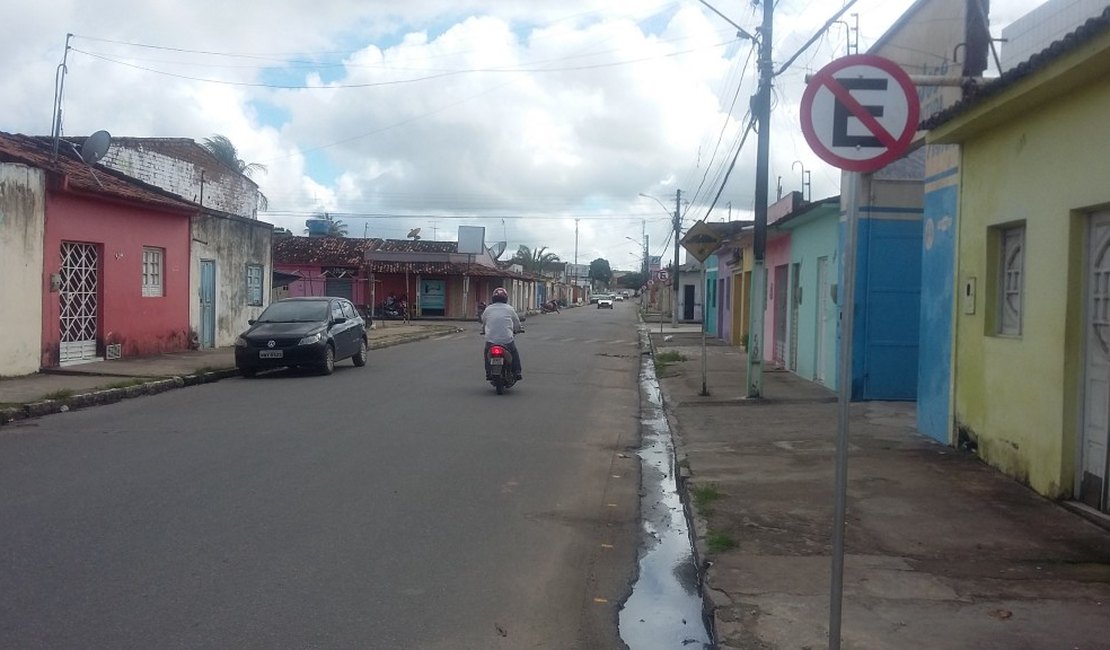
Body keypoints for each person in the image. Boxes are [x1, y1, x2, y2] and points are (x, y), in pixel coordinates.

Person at [480, 287, 523, 380]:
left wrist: (483, 331)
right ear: (506, 298)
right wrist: (519, 329)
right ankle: (517, 371)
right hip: (507, 340)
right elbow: (517, 323)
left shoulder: (488, 309)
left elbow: (484, 323)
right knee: (514, 352)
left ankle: (488, 372)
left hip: (491, 340)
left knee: (487, 353)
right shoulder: (509, 309)